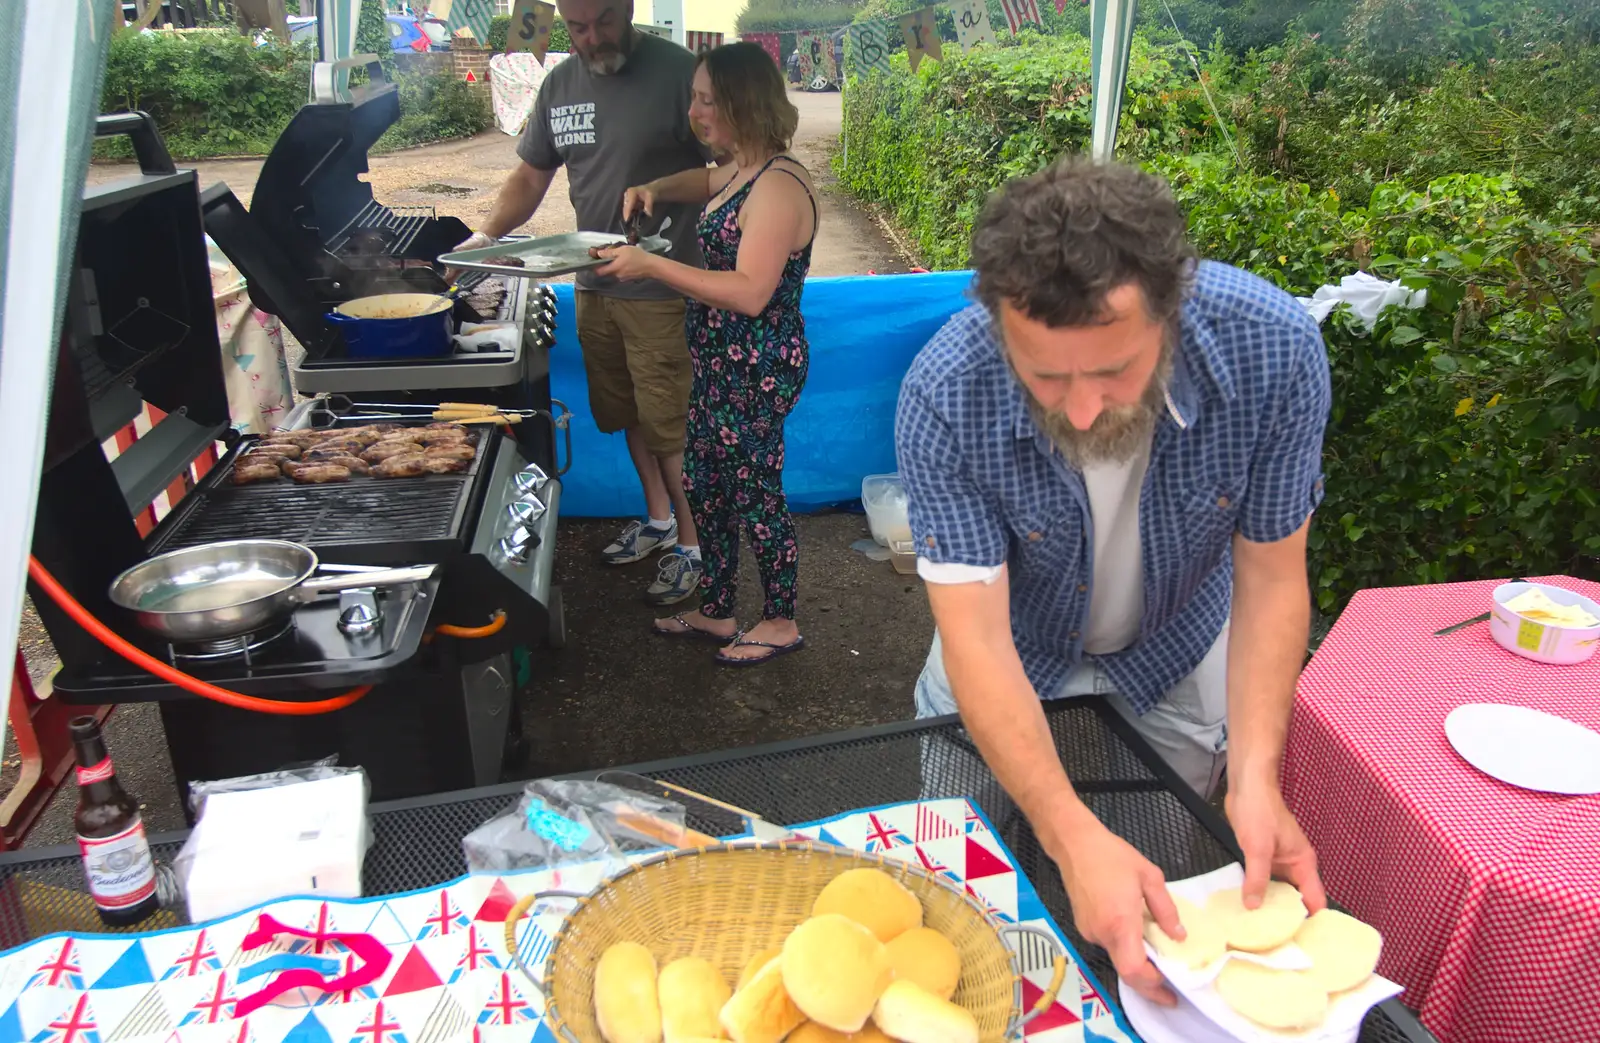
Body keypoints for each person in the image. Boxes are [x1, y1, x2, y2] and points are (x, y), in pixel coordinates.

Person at [896, 157, 1330, 1004]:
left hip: (1178, 646)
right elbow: (977, 637)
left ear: (1172, 312)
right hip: (1007, 645)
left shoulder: (1275, 352)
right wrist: (1063, 833)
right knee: (951, 875)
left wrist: (1257, 775)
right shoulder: (945, 391)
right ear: (995, 324)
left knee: (1150, 902)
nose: (1084, 409)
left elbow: (1273, 579)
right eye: (1046, 377)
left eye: (1114, 371)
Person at [457, 0, 712, 605]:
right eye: (577, 27)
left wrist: (665, 196)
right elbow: (530, 175)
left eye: (603, 21)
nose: (592, 37)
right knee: (627, 414)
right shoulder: (559, 83)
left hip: (662, 287)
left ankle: (697, 549)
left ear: (626, 8)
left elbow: (729, 168)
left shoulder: (680, 73)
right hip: (595, 284)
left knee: (670, 427)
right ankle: (659, 520)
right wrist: (485, 238)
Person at [593, 42, 817, 666]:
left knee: (754, 491)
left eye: (707, 101)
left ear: (744, 104)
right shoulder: (743, 167)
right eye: (694, 97)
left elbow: (749, 294)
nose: (694, 111)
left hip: (757, 366)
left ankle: (780, 620)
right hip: (721, 362)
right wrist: (654, 188)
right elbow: (706, 179)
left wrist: (652, 266)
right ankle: (717, 610)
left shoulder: (777, 187)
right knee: (707, 486)